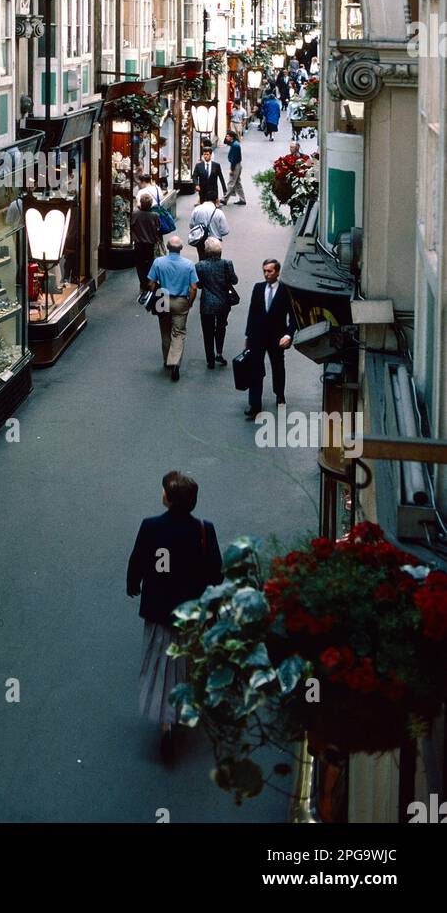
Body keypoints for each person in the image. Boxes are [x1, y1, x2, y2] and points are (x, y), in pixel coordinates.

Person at [127, 470, 223, 760]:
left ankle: (166, 721)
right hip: (192, 611)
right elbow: (215, 570)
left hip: (160, 608)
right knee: (186, 662)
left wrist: (133, 583)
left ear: (167, 499)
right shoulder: (205, 529)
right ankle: (184, 708)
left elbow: (139, 560)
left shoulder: (151, 526)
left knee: (159, 661)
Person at [243, 259, 298, 420]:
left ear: (277, 272)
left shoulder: (285, 291)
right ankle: (254, 405)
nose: (266, 274)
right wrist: (248, 335)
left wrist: (288, 335)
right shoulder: (258, 288)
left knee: (278, 366)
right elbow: (252, 313)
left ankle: (279, 394)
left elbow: (294, 316)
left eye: (270, 271)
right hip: (258, 337)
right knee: (255, 369)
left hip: (277, 337)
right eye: (265, 271)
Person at [147, 236, 198, 381]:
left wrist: (155, 292)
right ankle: (175, 362)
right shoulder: (188, 264)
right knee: (179, 332)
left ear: (168, 248)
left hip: (163, 298)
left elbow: (150, 283)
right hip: (181, 300)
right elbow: (194, 287)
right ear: (181, 248)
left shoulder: (158, 262)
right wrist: (190, 302)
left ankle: (166, 360)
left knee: (165, 329)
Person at [195, 236, 238, 368]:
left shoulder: (200, 266)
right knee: (221, 328)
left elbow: (199, 285)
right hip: (224, 302)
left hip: (207, 303)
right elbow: (234, 280)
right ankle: (219, 352)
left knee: (207, 331)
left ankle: (210, 359)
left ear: (206, 251)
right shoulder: (227, 263)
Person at [131, 192, 165, 295]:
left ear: (141, 203)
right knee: (150, 265)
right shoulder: (155, 215)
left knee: (140, 266)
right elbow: (158, 229)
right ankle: (150, 284)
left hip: (138, 244)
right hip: (150, 245)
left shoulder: (135, 214)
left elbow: (131, 226)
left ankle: (143, 285)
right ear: (150, 204)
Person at [187, 195, 228, 262]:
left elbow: (191, 225)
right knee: (216, 263)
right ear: (216, 200)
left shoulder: (196, 209)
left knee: (202, 261)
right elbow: (225, 231)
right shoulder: (219, 212)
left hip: (200, 241)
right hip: (215, 242)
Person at [221, 130, 246, 206]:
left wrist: (232, 169)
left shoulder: (234, 145)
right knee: (237, 183)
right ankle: (242, 199)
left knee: (231, 182)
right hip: (237, 165)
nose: (226, 137)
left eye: (227, 136)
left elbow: (234, 159)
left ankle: (225, 199)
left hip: (235, 165)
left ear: (231, 137)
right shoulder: (235, 144)